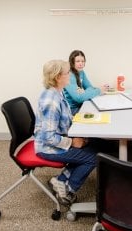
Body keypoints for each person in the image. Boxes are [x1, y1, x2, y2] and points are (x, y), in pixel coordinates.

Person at [34, 59, 98, 206]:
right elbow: (48, 137)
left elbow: (63, 120)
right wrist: (72, 142)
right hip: (48, 147)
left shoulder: (58, 92)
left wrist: (81, 122)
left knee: (93, 144)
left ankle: (60, 180)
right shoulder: (51, 101)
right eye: (68, 73)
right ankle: (68, 188)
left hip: (59, 138)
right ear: (58, 77)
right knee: (93, 157)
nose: (70, 75)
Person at [64, 50, 108, 115]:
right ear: (72, 62)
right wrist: (98, 90)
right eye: (77, 61)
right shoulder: (69, 75)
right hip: (72, 109)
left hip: (82, 104)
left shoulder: (82, 72)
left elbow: (90, 87)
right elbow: (79, 98)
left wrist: (84, 92)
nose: (81, 63)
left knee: (103, 110)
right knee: (97, 114)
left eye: (82, 61)